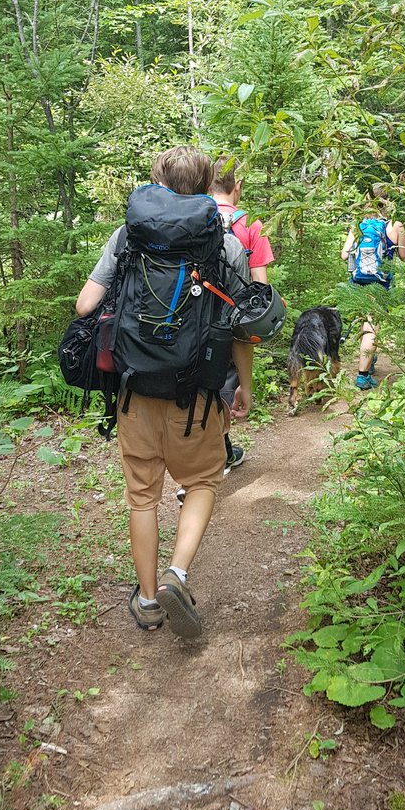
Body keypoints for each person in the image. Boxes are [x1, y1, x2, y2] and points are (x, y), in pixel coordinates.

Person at [75, 147, 253, 638]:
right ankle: (178, 573)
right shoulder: (224, 242)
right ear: (208, 183)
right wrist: (244, 388)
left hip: (135, 391)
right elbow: (240, 328)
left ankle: (149, 600)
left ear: (156, 180)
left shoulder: (128, 235)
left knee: (142, 497)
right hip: (197, 396)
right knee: (202, 483)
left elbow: (85, 303)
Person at [209, 157, 275, 470]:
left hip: (193, 318)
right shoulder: (251, 224)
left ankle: (217, 449)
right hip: (231, 322)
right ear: (238, 187)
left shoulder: (191, 219)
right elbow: (260, 288)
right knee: (227, 383)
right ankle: (216, 452)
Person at [340, 184, 405, 389]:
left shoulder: (358, 224)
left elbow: (344, 254)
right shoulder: (396, 225)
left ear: (367, 201)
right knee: (371, 328)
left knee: (364, 325)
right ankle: (362, 376)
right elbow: (404, 256)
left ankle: (368, 363)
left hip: (358, 282)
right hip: (380, 284)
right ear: (388, 202)